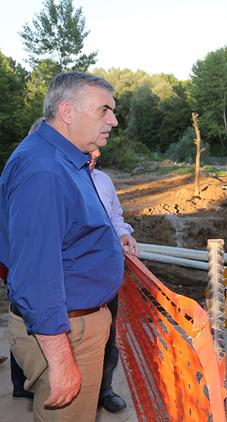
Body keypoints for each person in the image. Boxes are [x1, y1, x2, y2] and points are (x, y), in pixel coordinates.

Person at [0, 72, 123, 421]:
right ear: (68, 112)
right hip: (68, 332)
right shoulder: (45, 171)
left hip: (77, 325)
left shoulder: (61, 160)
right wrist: (61, 360)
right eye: (104, 110)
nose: (113, 121)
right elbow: (35, 277)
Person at [89, 148, 138, 412]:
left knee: (108, 334)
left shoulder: (104, 181)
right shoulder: (61, 178)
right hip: (77, 275)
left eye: (99, 150)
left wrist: (122, 235)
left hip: (106, 272)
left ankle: (104, 390)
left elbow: (115, 215)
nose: (96, 154)